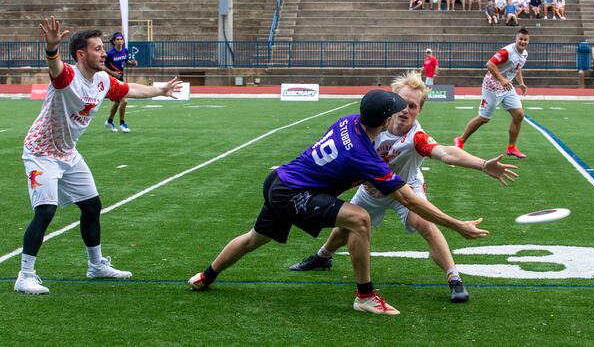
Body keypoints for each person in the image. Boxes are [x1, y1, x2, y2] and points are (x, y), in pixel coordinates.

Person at [188, 90, 489, 315]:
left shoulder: (347, 121)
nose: (400, 114)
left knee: (255, 239)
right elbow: (407, 198)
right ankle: (365, 296)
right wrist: (456, 224)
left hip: (278, 181)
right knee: (359, 219)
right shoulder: (364, 155)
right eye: (394, 111)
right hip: (293, 193)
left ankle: (206, 276)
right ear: (385, 120)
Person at [288, 71, 517, 304]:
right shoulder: (373, 127)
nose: (406, 110)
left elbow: (446, 152)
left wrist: (483, 165)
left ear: (419, 110)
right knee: (347, 225)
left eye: (413, 106)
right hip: (373, 190)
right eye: (403, 104)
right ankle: (323, 257)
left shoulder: (416, 137)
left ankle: (454, 278)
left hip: (406, 188)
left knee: (425, 224)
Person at [14, 17, 182, 295]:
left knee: (92, 206)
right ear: (81, 54)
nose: (104, 53)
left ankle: (96, 266)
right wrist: (52, 49)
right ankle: (25, 275)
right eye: (97, 49)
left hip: (68, 154)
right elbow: (54, 66)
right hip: (40, 153)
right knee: (45, 211)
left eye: (103, 48)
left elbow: (130, 90)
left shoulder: (103, 80)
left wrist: (159, 90)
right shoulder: (67, 76)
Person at [454, 29, 530, 158]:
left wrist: (521, 83)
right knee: (484, 118)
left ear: (528, 41)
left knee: (519, 115)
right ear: (516, 39)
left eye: (525, 39)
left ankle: (511, 148)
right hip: (492, 86)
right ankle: (460, 140)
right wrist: (502, 79)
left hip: (506, 86)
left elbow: (517, 68)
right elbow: (490, 64)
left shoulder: (525, 54)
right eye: (520, 39)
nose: (523, 42)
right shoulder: (507, 52)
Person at [104, 32, 137, 133]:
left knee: (118, 102)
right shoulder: (109, 54)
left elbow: (126, 62)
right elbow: (103, 67)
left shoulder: (125, 51)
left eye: (121, 39)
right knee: (124, 101)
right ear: (114, 42)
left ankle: (109, 121)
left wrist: (132, 63)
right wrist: (113, 73)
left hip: (120, 79)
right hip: (112, 80)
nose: (119, 41)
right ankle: (122, 124)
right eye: (117, 39)